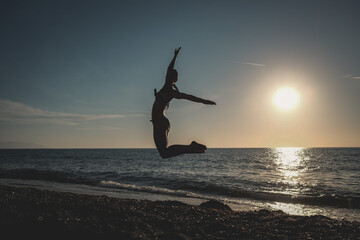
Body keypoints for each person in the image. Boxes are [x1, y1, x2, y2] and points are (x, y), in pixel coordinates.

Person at [151, 47, 216, 158]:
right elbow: (189, 97)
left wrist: (175, 56)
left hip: (160, 122)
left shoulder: (169, 90)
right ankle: (192, 148)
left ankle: (191, 147)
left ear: (170, 78)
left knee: (164, 153)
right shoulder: (171, 91)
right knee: (164, 153)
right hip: (160, 122)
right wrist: (175, 55)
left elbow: (189, 97)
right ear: (176, 80)